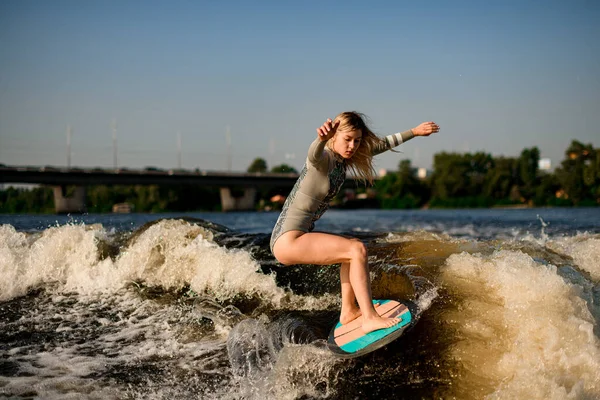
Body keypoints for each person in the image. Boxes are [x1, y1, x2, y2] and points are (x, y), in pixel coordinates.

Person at [270, 111, 439, 333]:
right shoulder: (324, 159)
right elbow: (313, 155)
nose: (352, 146)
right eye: (347, 139)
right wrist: (320, 139)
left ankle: (348, 310)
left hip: (294, 236)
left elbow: (380, 145)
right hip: (288, 240)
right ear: (333, 137)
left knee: (351, 252)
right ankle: (370, 317)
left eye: (356, 140)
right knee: (356, 249)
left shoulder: (342, 160)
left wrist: (414, 132)